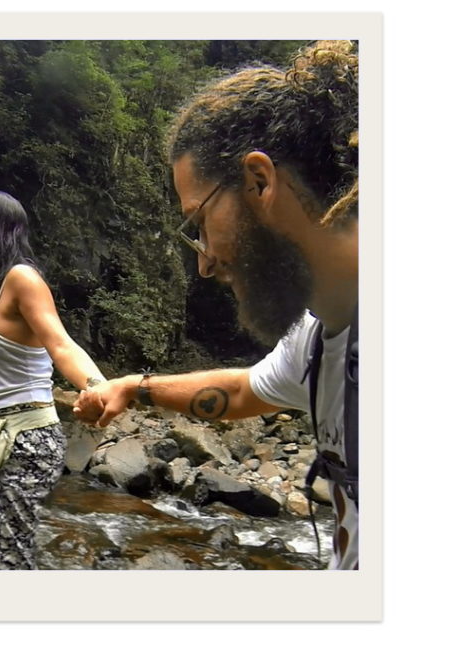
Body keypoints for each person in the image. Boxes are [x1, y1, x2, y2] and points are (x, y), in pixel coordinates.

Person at [74, 41, 359, 570]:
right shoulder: (317, 337)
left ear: (259, 181)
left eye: (199, 224)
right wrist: (134, 389)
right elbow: (243, 389)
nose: (203, 263)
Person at [0, 190, 107, 570]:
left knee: (8, 560)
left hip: (25, 441)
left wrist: (97, 387)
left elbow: (60, 345)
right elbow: (9, 350)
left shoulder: (23, 278)